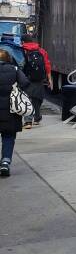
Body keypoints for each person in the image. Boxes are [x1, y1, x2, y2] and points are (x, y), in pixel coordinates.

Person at [0, 48, 30, 176]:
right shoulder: (15, 70)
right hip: (10, 110)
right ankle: (5, 162)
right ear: (8, 59)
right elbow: (25, 83)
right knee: (8, 136)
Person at [21, 34, 52, 128]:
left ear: (23, 41)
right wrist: (49, 79)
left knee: (27, 99)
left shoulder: (21, 50)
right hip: (39, 78)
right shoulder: (41, 51)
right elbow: (47, 64)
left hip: (25, 78)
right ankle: (37, 118)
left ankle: (28, 122)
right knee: (37, 98)